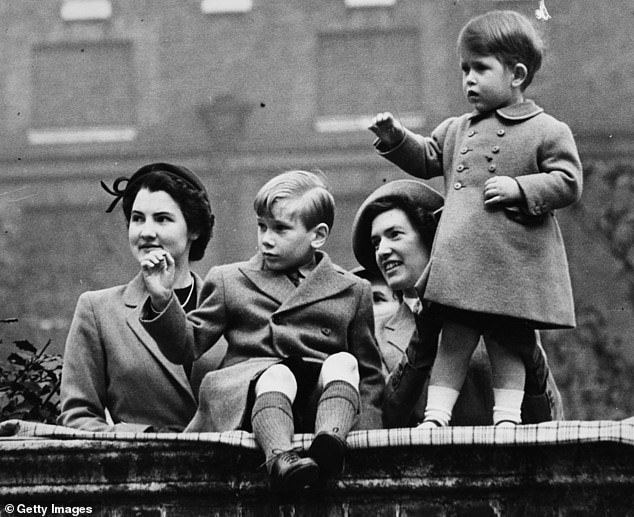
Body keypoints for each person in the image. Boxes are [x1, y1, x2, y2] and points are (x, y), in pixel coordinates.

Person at [369, 10, 581, 427]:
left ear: (517, 74)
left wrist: (521, 189)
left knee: (506, 343)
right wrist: (396, 139)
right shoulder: (457, 129)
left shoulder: (547, 130)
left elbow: (568, 180)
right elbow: (428, 155)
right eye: (465, 69)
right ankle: (436, 417)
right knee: (454, 338)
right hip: (461, 265)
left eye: (480, 69)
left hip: (509, 264)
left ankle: (506, 419)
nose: (468, 79)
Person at [139, 170, 384, 492]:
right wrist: (162, 298)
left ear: (318, 235)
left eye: (280, 228)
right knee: (277, 375)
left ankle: (331, 442)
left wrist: (370, 434)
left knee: (344, 363)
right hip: (252, 391)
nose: (266, 238)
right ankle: (281, 458)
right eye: (261, 226)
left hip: (314, 402)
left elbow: (369, 374)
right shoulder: (231, 279)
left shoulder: (353, 289)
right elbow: (187, 346)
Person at [352, 179, 565, 427]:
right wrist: (423, 337)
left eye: (394, 235)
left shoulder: (498, 310)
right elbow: (382, 419)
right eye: (377, 243)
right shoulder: (373, 331)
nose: (382, 251)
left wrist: (529, 351)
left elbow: (550, 420)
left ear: (432, 238)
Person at [58, 162, 225, 432]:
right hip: (140, 467)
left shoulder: (229, 306)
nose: (146, 232)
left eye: (162, 219)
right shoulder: (98, 311)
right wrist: (143, 437)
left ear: (194, 229)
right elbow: (78, 417)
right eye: (137, 219)